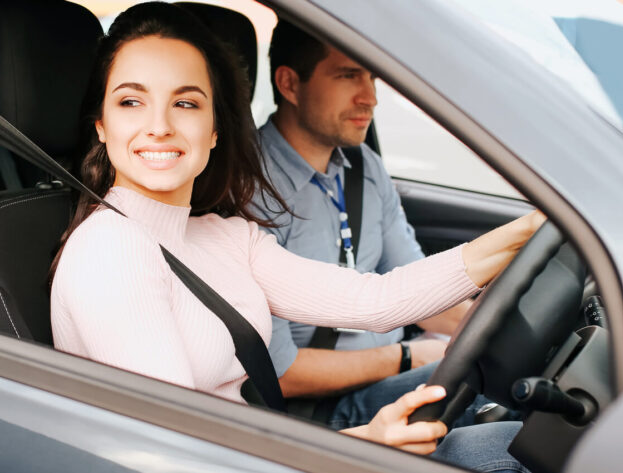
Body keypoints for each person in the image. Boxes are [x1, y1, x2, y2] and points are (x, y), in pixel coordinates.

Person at [50, 2, 535, 469]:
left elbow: (377, 300)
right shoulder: (110, 250)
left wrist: (533, 231)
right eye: (132, 101)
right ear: (101, 125)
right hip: (230, 460)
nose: (159, 126)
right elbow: (180, 452)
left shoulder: (225, 236)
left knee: (514, 443)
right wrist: (360, 448)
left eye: (186, 102)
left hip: (257, 451)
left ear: (215, 128)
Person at [252, 20, 485, 431]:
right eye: (348, 76)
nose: (371, 97)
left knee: (498, 373)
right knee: (492, 396)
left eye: (372, 77)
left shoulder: (363, 168)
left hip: (389, 372)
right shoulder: (253, 189)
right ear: (289, 84)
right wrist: (411, 357)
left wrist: (483, 330)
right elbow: (281, 374)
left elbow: (421, 289)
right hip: (321, 410)